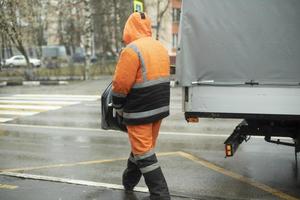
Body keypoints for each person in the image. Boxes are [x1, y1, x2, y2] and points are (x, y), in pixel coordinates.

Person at [111, 12, 171, 200]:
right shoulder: (159, 47)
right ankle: (128, 181)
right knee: (143, 147)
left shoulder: (131, 50)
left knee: (144, 153)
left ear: (129, 28)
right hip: (159, 109)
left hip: (140, 111)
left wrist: (118, 106)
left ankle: (161, 195)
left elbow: (120, 85)